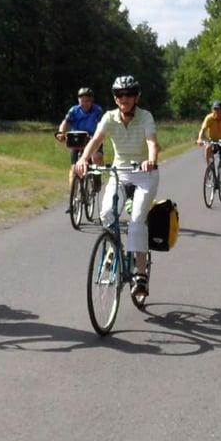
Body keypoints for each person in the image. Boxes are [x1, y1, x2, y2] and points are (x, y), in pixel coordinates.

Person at [74, 75, 160, 304]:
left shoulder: (145, 116)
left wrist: (151, 160)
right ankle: (114, 248)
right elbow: (95, 140)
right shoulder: (109, 117)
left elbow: (152, 142)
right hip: (119, 172)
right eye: (120, 95)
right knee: (106, 214)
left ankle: (140, 274)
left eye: (129, 94)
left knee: (136, 221)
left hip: (144, 173)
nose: (124, 98)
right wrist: (83, 159)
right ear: (115, 98)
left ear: (136, 96)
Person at [55, 86, 105, 176]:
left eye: (87, 101)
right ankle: (73, 185)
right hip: (77, 140)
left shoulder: (97, 110)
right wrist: (61, 132)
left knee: (97, 157)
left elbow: (101, 124)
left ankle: (98, 177)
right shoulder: (74, 110)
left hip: (93, 139)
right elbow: (65, 122)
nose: (85, 104)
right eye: (82, 101)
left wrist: (98, 135)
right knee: (74, 169)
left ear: (92, 100)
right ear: (79, 100)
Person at [195, 99, 221, 188]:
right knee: (208, 148)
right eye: (215, 109)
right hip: (213, 140)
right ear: (212, 109)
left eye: (218, 109)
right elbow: (203, 129)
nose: (217, 111)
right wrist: (200, 139)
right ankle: (209, 167)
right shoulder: (209, 118)